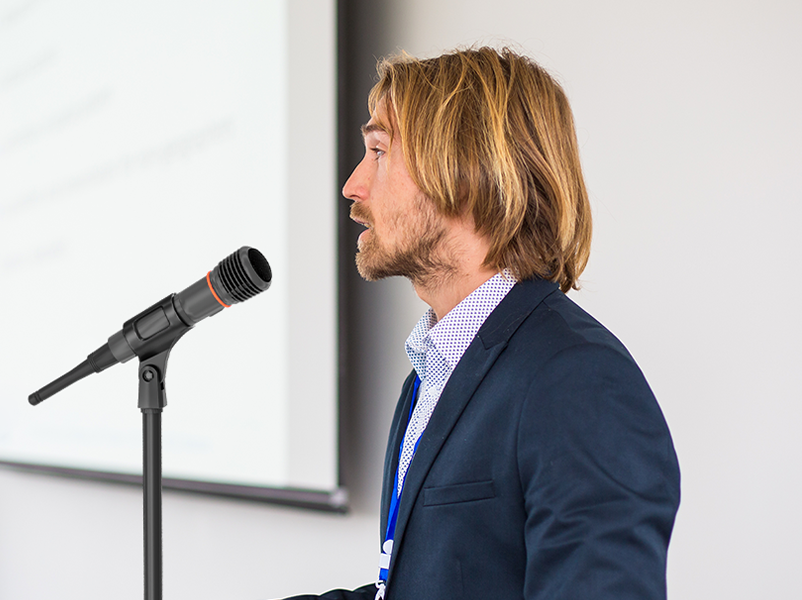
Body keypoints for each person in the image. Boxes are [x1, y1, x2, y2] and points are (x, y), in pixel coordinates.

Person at [284, 47, 680, 600]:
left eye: (378, 151)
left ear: (466, 170)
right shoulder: (430, 376)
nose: (353, 185)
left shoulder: (579, 379)